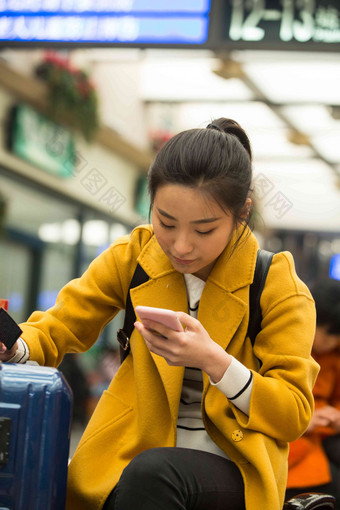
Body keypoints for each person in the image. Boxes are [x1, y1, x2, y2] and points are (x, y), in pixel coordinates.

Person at [0, 118, 319, 510]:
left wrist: (214, 361)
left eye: (204, 230)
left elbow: (293, 413)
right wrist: (13, 348)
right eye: (165, 222)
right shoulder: (134, 257)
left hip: (233, 463)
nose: (181, 245)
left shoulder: (276, 284)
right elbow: (57, 327)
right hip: (134, 451)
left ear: (242, 213)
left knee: (153, 474)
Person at [286, 277, 340, 505]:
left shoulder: (335, 356)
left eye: (336, 336)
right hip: (292, 434)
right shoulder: (288, 344)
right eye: (327, 333)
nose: (331, 341)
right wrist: (303, 421)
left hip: (322, 435)